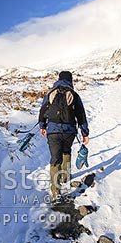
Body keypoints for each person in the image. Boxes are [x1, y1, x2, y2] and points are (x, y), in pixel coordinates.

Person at [38, 71, 89, 200]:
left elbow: (43, 110)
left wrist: (42, 126)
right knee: (66, 151)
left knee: (55, 158)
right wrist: (85, 133)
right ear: (70, 80)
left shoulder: (51, 93)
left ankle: (56, 191)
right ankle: (65, 176)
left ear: (59, 79)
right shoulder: (74, 94)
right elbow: (81, 115)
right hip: (69, 131)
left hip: (53, 131)